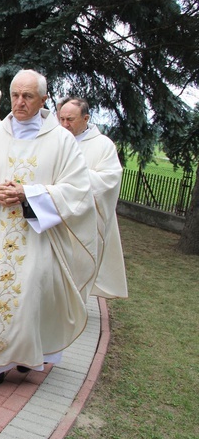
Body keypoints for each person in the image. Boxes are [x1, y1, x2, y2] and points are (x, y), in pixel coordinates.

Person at [0, 69, 97, 393]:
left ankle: (22, 356)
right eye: (15, 95)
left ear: (44, 99)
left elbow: (77, 189)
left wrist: (29, 194)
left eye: (28, 96)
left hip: (36, 235)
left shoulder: (61, 141)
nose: (19, 103)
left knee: (29, 297)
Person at [58, 96, 128, 299]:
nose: (64, 124)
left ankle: (73, 309)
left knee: (77, 272)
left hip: (84, 219)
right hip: (55, 214)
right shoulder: (55, 140)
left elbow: (109, 180)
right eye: (61, 119)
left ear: (86, 118)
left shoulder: (103, 145)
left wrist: (75, 177)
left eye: (70, 119)